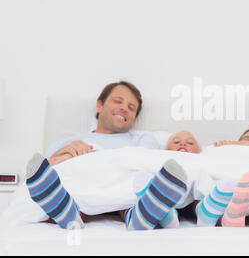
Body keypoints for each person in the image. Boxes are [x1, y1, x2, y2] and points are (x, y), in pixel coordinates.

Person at [25, 81, 188, 231]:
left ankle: (137, 218)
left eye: (131, 108)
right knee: (61, 187)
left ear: (134, 118)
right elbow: (42, 175)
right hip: (78, 186)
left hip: (121, 192)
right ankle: (68, 213)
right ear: (100, 105)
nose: (124, 108)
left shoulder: (143, 140)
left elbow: (147, 165)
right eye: (118, 101)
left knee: (136, 188)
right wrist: (60, 157)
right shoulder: (65, 143)